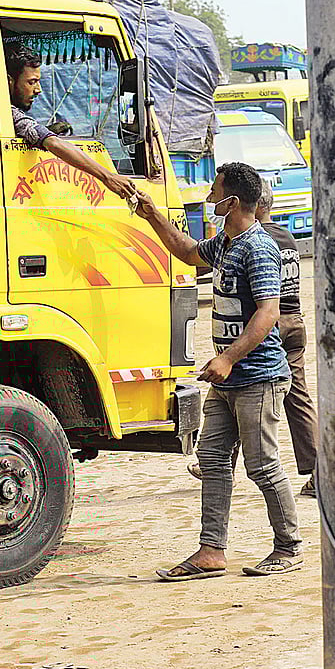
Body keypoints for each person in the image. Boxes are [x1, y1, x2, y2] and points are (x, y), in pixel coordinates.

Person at [133, 162, 302, 581]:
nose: (209, 197)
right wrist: (152, 214)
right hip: (229, 380)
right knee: (211, 458)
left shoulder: (257, 249)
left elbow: (268, 313)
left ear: (233, 201)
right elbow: (188, 252)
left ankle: (289, 547)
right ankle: (211, 551)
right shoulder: (226, 243)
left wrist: (229, 358)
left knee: (262, 465)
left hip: (257, 377)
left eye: (215, 191)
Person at [186, 180, 319, 497]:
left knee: (244, 386)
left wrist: (230, 354)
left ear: (252, 205)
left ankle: (220, 463)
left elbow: (265, 307)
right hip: (294, 320)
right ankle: (320, 471)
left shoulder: (255, 241)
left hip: (267, 324)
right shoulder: (286, 237)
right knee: (297, 399)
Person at [5, 42, 136, 201]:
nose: (38, 89)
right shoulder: (8, 114)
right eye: (31, 82)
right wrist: (108, 176)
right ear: (9, 81)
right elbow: (52, 143)